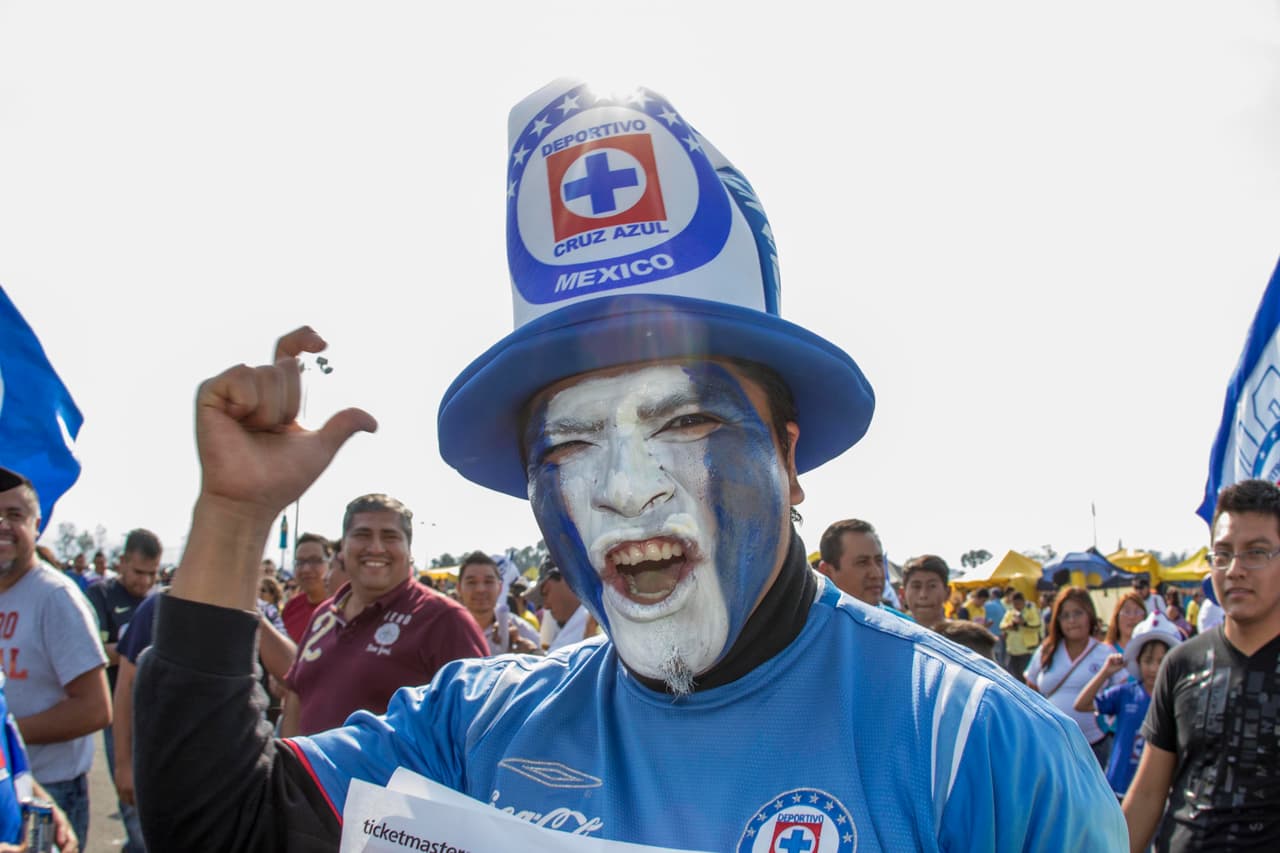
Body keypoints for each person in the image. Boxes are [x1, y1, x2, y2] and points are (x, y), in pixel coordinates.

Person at [134, 80, 1124, 850]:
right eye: (567, 445)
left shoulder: (976, 746)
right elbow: (219, 828)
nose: (622, 484)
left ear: (786, 456)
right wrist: (231, 518)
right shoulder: (476, 731)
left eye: (685, 421)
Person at [1124, 479, 1280, 851]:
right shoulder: (1181, 662)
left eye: (1256, 553)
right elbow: (1147, 795)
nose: (1234, 569)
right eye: (1222, 554)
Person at [279, 494, 486, 737]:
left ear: (409, 550)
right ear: (342, 549)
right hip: (303, 773)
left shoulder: (445, 620)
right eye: (362, 535)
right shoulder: (324, 615)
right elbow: (296, 697)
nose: (376, 548)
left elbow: (479, 727)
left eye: (390, 537)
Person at [0, 467, 110, 848]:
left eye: (14, 515)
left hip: (49, 792)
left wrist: (7, 736)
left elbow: (96, 709)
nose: (3, 525)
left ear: (37, 523)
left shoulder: (55, 598)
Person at [84, 527, 158, 853]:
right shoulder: (100, 595)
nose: (144, 581)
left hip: (155, 718)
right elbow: (95, 651)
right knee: (133, 810)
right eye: (138, 572)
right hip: (117, 711)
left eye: (152, 574)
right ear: (123, 562)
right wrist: (135, 650)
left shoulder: (158, 603)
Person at [1074, 612, 1180, 801]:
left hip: (1157, 790)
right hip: (1119, 784)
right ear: (1137, 661)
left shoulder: (1175, 698)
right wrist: (1105, 672)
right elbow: (1082, 704)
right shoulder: (1125, 693)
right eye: (1148, 660)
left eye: (1161, 661)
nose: (1154, 668)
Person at [1024, 586, 1118, 767]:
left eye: (1078, 613)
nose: (1071, 621)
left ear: (1090, 615)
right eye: (1065, 615)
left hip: (1094, 745)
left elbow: (1119, 694)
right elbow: (1030, 691)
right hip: (1051, 745)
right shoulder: (1046, 651)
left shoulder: (1105, 653)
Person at [455, 551, 540, 656]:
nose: (480, 589)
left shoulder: (521, 631)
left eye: (488, 582)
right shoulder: (444, 630)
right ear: (458, 588)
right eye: (471, 582)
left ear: (500, 587)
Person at [816, 518, 893, 608]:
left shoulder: (901, 622)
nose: (876, 574)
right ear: (827, 572)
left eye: (879, 561)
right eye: (862, 562)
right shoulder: (809, 620)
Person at [537, 557, 597, 652]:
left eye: (546, 592)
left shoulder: (593, 617)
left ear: (567, 578)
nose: (545, 606)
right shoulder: (582, 620)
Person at [282, 533, 334, 643]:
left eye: (315, 561)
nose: (306, 569)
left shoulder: (342, 610)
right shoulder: (291, 607)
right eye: (300, 562)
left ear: (331, 563)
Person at [999, 590, 1042, 682]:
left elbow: (1037, 625)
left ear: (1023, 601)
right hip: (1012, 650)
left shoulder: (1031, 610)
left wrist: (1024, 623)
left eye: (1018, 604)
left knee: (1026, 678)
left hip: (1026, 650)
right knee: (1012, 677)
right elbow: (1002, 625)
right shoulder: (1011, 612)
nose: (1016, 606)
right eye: (1014, 604)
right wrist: (1009, 625)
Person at [900, 554, 950, 629]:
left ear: (947, 592)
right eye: (916, 586)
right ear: (903, 593)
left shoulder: (964, 637)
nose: (923, 595)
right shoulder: (891, 635)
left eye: (932, 586)